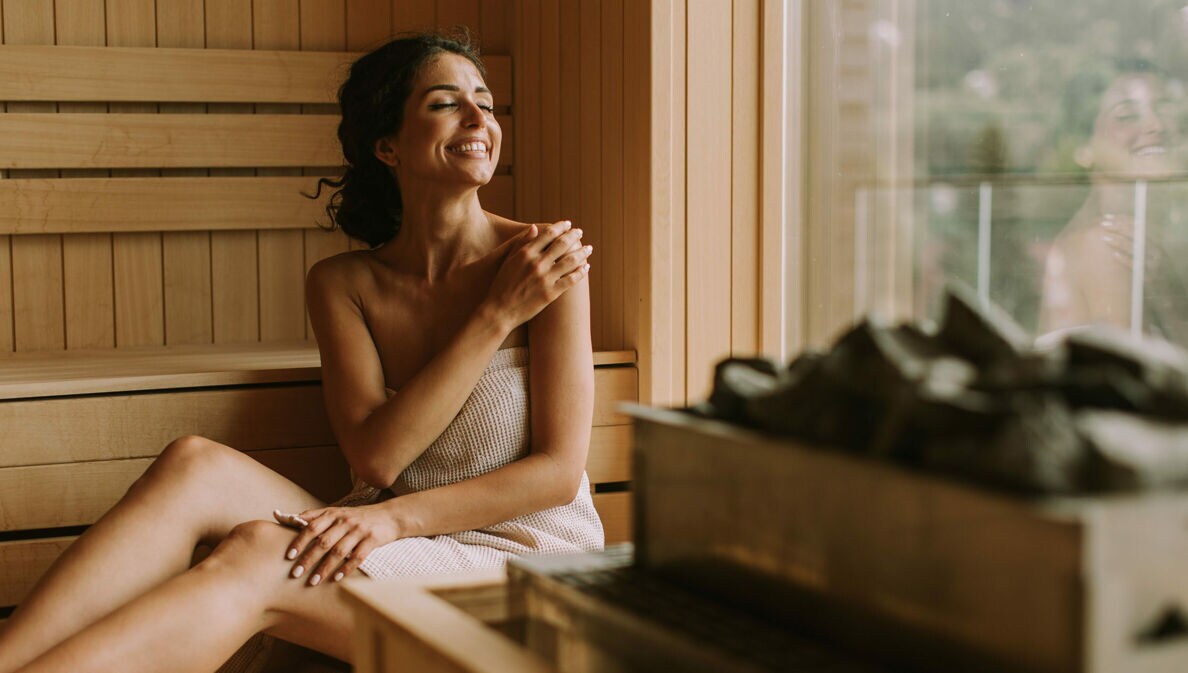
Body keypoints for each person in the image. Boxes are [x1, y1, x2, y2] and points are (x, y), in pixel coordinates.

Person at [0, 32, 602, 673]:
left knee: (265, 551)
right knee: (193, 465)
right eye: (445, 103)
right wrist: (495, 315)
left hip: (523, 560)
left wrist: (393, 524)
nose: (480, 119)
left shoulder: (543, 263)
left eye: (485, 102)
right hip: (386, 529)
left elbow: (558, 473)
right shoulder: (347, 284)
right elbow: (378, 459)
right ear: (387, 145)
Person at [1039, 59, 1188, 343]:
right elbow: (1145, 380)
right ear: (1084, 146)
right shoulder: (1110, 244)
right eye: (1126, 116)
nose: (1156, 125)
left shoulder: (1141, 242)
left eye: (1164, 108)